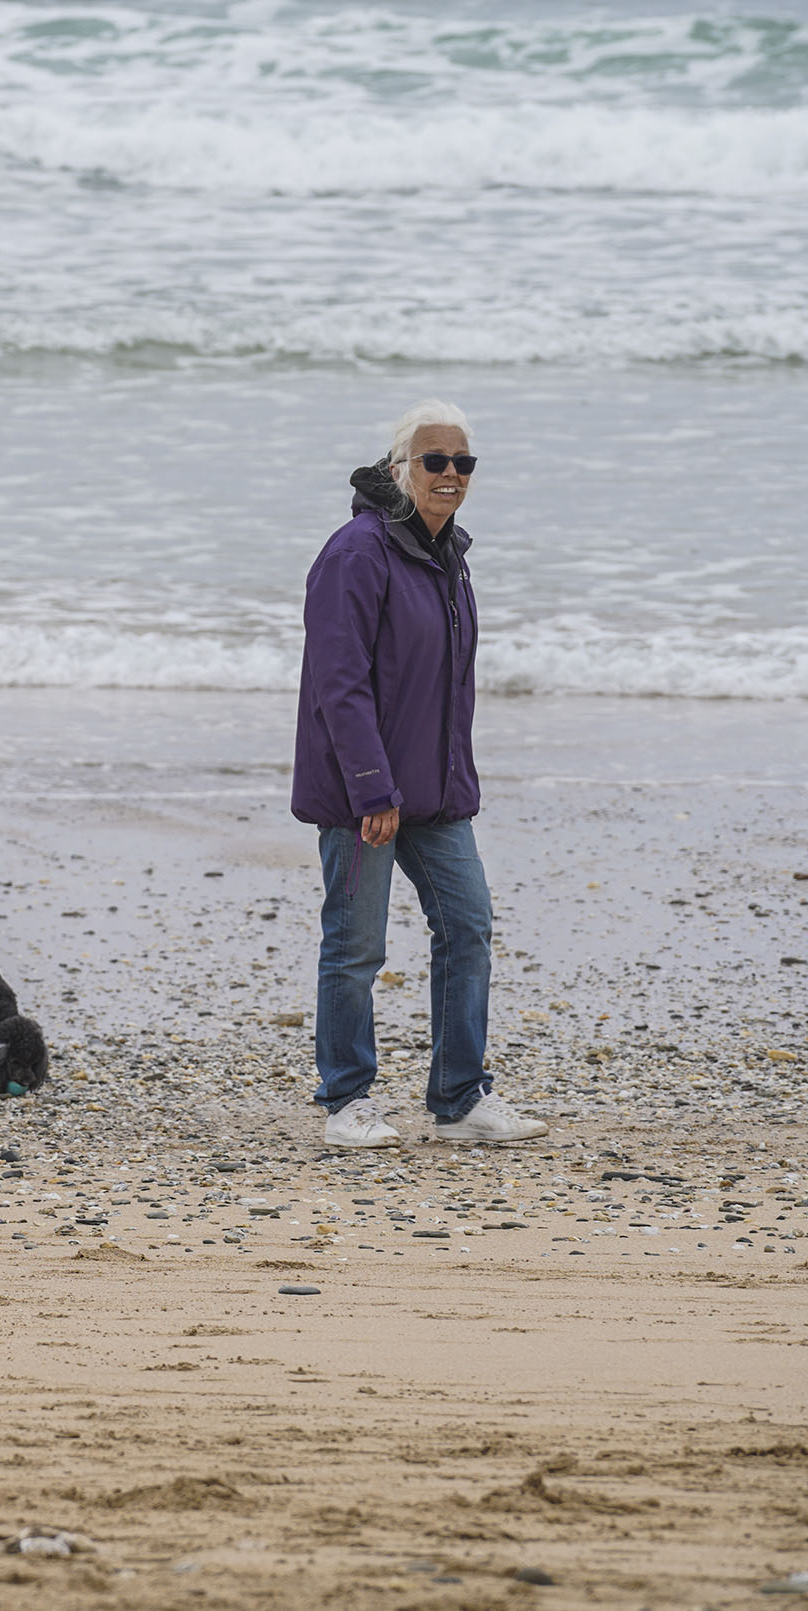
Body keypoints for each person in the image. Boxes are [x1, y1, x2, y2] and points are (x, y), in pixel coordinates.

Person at [291, 400, 546, 1150]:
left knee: (467, 927)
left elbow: (443, 687)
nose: (451, 475)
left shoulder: (448, 553)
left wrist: (452, 780)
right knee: (356, 946)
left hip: (435, 795)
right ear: (401, 468)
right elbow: (340, 684)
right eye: (436, 461)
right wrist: (371, 785)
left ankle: (460, 1097)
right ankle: (346, 1102)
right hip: (362, 795)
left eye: (463, 463)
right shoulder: (356, 553)